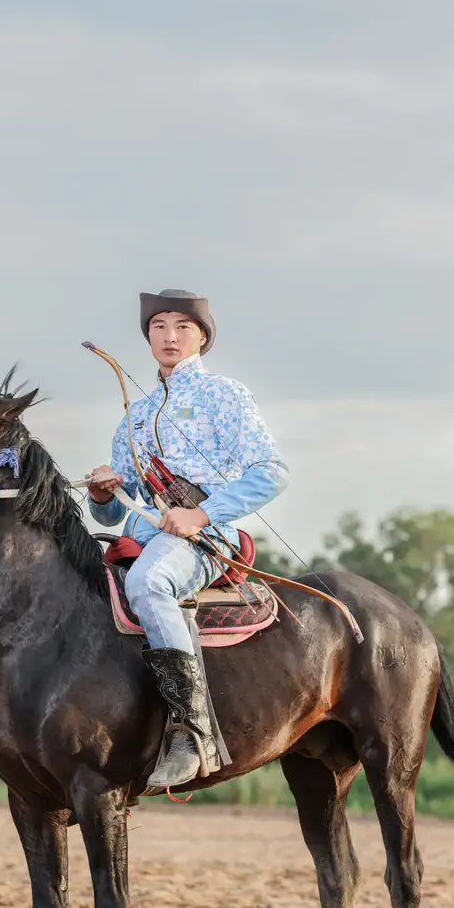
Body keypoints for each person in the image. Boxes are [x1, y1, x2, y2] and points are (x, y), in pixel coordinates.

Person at [88, 289, 288, 790]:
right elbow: (114, 511)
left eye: (182, 326)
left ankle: (192, 730)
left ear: (203, 335)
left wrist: (201, 513)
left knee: (152, 583)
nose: (169, 336)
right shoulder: (133, 416)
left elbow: (271, 472)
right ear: (148, 336)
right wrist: (101, 493)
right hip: (141, 535)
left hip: (206, 539)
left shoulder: (226, 396)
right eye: (159, 326)